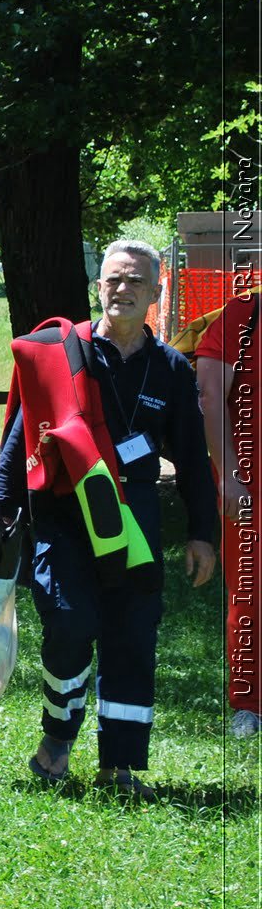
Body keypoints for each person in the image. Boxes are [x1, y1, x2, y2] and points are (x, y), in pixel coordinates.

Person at [0, 240, 216, 799]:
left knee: (133, 638)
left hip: (134, 526)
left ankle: (121, 763)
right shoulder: (65, 354)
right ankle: (58, 740)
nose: (123, 289)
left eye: (136, 281)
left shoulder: (172, 370)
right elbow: (22, 434)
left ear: (157, 293)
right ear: (99, 288)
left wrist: (203, 533)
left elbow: (191, 457)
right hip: (64, 520)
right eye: (114, 280)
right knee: (68, 623)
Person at [192, 288, 260, 739]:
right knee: (250, 594)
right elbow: (210, 392)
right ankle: (250, 704)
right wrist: (229, 473)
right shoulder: (244, 313)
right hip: (253, 483)